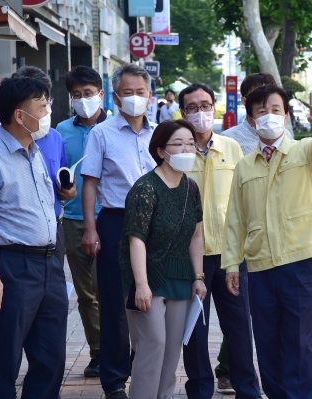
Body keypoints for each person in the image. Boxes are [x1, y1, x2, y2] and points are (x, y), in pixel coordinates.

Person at [222, 84, 312, 399]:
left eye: (275, 110)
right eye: (261, 111)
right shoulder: (246, 165)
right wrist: (231, 263)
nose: (269, 117)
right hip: (260, 266)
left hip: (300, 262)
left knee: (300, 343)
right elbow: (235, 219)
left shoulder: (306, 151)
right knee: (268, 343)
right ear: (252, 119)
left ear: (286, 116)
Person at [0, 76, 68, 399]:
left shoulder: (35, 150)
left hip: (50, 264)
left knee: (51, 357)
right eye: (42, 106)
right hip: (12, 266)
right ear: (20, 116)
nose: (48, 111)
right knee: (4, 357)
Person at [179, 83, 261, 399]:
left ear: (214, 108)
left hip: (230, 258)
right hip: (191, 259)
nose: (200, 112)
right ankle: (199, 390)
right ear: (183, 112)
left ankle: (248, 390)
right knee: (195, 332)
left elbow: (245, 201)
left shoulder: (231, 148)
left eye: (205, 105)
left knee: (239, 328)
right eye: (192, 107)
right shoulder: (177, 151)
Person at [80, 63, 157, 399]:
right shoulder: (102, 133)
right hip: (116, 222)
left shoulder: (161, 133)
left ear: (150, 96)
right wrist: (90, 229)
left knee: (153, 301)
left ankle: (145, 373)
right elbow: (90, 183)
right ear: (115, 96)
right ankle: (113, 381)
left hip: (156, 224)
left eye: (141, 92)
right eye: (128, 93)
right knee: (114, 302)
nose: (135, 99)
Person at [119, 119, 207, 399]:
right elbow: (136, 239)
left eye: (191, 144)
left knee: (172, 350)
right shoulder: (145, 188)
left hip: (180, 277)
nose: (186, 149)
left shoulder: (191, 188)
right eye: (178, 144)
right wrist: (142, 284)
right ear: (161, 151)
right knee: (153, 344)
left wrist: (199, 277)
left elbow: (196, 235)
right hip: (148, 276)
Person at [0, 66, 76, 269]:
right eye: (41, 105)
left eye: (47, 102)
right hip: (13, 248)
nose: (48, 110)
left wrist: (68, 191)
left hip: (52, 235)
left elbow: (61, 179)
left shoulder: (54, 138)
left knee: (54, 299)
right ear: (19, 111)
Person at [57, 65, 111, 378]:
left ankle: (123, 347)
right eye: (76, 95)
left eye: (88, 94)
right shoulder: (60, 131)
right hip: (75, 220)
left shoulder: (117, 127)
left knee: (116, 288)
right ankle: (99, 353)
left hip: (114, 217)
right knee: (87, 292)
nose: (83, 100)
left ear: (101, 94)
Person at [221, 72, 293, 155]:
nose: (265, 100)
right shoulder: (229, 138)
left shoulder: (286, 134)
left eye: (268, 93)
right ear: (244, 101)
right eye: (257, 95)